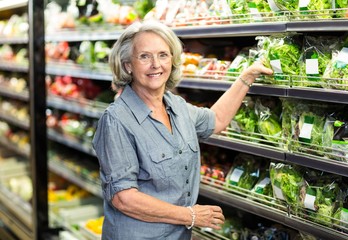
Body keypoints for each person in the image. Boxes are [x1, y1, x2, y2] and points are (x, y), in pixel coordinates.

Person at [92, 19, 273, 240]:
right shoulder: (117, 120)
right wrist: (190, 216)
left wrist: (247, 77)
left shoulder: (176, 106)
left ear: (173, 60)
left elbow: (216, 119)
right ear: (128, 65)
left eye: (163, 55)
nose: (156, 64)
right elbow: (124, 198)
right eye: (144, 56)